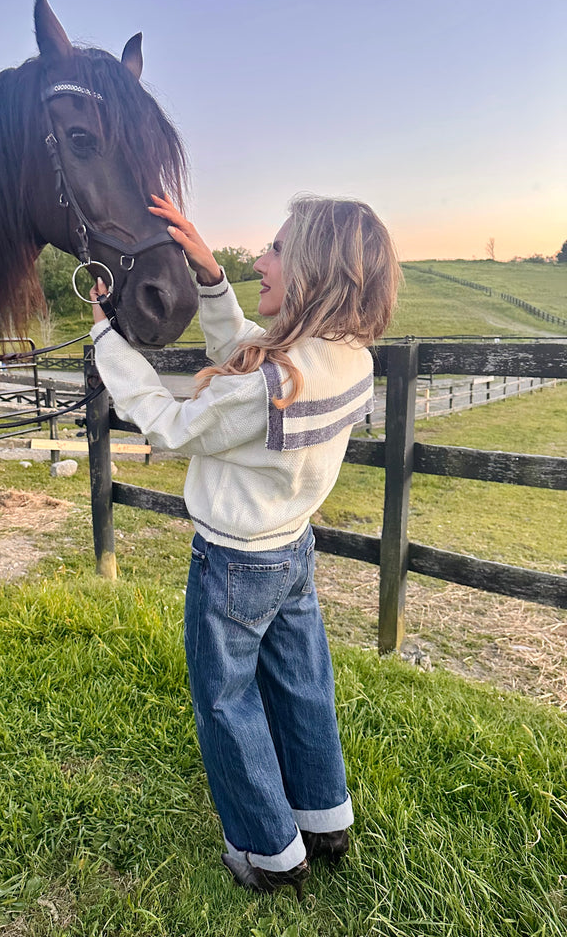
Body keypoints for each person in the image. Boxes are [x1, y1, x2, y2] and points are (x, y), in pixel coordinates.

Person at [88, 193, 400, 897]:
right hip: (291, 550)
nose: (260, 259)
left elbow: (167, 423)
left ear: (317, 268)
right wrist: (212, 281)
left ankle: (267, 852)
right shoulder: (347, 357)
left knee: (226, 701)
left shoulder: (269, 386)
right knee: (303, 685)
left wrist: (109, 342)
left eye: (277, 250)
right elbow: (254, 353)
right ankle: (324, 818)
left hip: (232, 561)